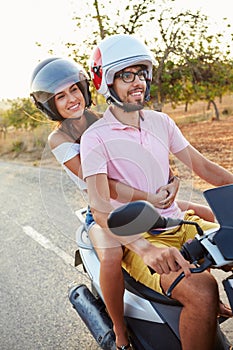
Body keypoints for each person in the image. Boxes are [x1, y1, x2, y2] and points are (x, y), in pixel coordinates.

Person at [80, 34, 233, 350]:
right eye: (126, 75)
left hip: (180, 223)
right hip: (140, 236)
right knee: (202, 291)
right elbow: (99, 208)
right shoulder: (94, 139)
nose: (137, 81)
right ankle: (122, 337)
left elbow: (204, 169)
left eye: (141, 72)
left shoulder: (161, 122)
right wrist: (144, 249)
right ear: (107, 83)